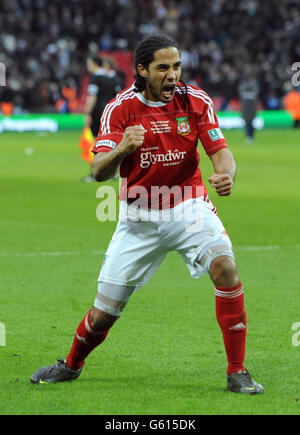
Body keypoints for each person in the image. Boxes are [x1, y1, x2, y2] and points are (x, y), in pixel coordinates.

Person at [31, 34, 264, 394]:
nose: (173, 75)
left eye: (177, 66)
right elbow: (99, 171)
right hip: (139, 218)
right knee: (104, 313)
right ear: (142, 70)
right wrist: (123, 147)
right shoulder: (120, 109)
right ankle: (72, 364)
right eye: (163, 68)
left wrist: (226, 175)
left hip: (189, 206)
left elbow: (221, 151)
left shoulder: (195, 101)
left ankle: (238, 371)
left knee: (226, 267)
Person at [81, 56, 121, 182]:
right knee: (111, 143)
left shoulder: (96, 78)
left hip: (98, 113)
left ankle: (95, 173)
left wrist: (87, 113)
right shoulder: (115, 79)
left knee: (95, 143)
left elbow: (92, 96)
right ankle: (112, 173)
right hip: (112, 113)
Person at [238, 67, 260, 143]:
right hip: (246, 105)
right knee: (247, 122)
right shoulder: (244, 84)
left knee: (250, 122)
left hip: (251, 105)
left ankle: (250, 136)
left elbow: (254, 93)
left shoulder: (253, 83)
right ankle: (249, 136)